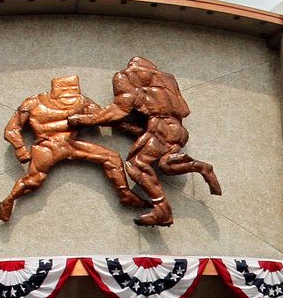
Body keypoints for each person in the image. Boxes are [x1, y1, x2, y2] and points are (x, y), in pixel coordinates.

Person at [71, 56, 222, 227]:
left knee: (136, 164)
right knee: (166, 165)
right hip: (178, 130)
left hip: (160, 126)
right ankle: (199, 166)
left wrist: (85, 120)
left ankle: (162, 211)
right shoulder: (167, 81)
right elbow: (181, 109)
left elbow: (118, 110)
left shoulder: (126, 76)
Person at [0, 76, 141, 222]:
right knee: (34, 180)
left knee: (112, 158)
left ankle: (125, 195)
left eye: (73, 92)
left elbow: (105, 118)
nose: (69, 97)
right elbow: (11, 130)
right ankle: (8, 200)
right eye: (64, 92)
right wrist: (20, 148)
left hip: (71, 144)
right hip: (46, 146)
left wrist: (133, 129)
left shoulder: (82, 101)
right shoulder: (32, 103)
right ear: (54, 90)